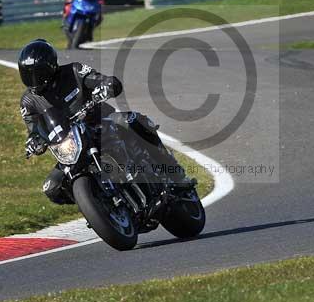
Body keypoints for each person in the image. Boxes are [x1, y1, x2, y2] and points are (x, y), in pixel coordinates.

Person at [18, 39, 193, 204]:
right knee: (52, 187)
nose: (34, 79)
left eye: (38, 73)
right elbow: (34, 129)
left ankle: (176, 173)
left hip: (101, 122)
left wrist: (106, 85)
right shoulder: (28, 101)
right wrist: (34, 141)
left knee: (133, 121)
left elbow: (100, 79)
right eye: (28, 74)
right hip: (71, 143)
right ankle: (98, 203)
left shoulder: (74, 71)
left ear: (50, 66)